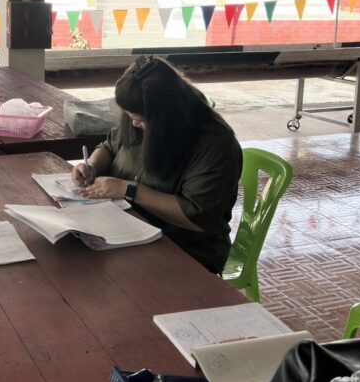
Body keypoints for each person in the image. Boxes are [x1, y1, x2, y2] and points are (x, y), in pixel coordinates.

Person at [73, 56, 242, 274]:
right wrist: (92, 166)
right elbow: (110, 146)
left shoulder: (215, 145)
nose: (134, 123)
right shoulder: (139, 116)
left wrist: (128, 190)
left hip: (183, 249)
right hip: (126, 227)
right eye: (129, 115)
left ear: (165, 116)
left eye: (140, 119)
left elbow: (196, 216)